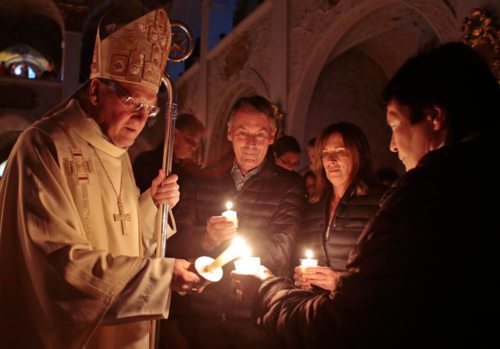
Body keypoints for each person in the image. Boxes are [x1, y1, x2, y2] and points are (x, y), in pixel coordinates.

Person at [231, 42, 500, 348]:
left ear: (434, 117)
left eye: (396, 124)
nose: (394, 146)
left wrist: (265, 290)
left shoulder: (421, 201)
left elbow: (345, 324)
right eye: (325, 154)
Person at [0, 5, 203, 349]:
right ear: (95, 92)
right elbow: (55, 264)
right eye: (131, 101)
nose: (141, 119)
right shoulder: (43, 146)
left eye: (150, 109)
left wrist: (151, 205)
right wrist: (160, 276)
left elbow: (121, 239)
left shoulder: (116, 151)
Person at [166, 95, 305, 348]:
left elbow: (280, 251)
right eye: (243, 132)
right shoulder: (200, 180)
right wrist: (206, 238)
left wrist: (234, 241)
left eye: (260, 134)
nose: (251, 143)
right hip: (200, 319)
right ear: (229, 132)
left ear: (272, 136)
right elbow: (175, 241)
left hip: (255, 320)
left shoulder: (290, 186)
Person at [294, 122, 383, 292]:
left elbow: (387, 269)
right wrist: (301, 278)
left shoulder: (379, 203)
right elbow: (301, 254)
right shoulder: (313, 206)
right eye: (325, 153)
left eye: (340, 152)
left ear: (359, 156)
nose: (331, 160)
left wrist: (340, 282)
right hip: (319, 310)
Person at [133, 113, 205, 194]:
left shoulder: (188, 170)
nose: (193, 147)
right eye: (189, 140)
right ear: (175, 135)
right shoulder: (146, 162)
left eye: (196, 144)